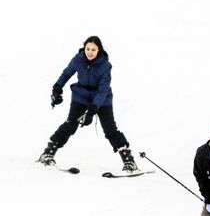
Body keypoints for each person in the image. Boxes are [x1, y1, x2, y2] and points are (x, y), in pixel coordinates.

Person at [38, 36, 139, 172]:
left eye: (93, 49)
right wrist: (57, 88)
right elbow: (66, 73)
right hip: (81, 96)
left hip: (102, 100)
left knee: (110, 129)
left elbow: (103, 90)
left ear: (99, 50)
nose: (90, 52)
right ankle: (47, 154)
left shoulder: (105, 66)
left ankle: (129, 162)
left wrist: (92, 110)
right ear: (84, 48)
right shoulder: (78, 59)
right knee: (71, 124)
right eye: (88, 49)